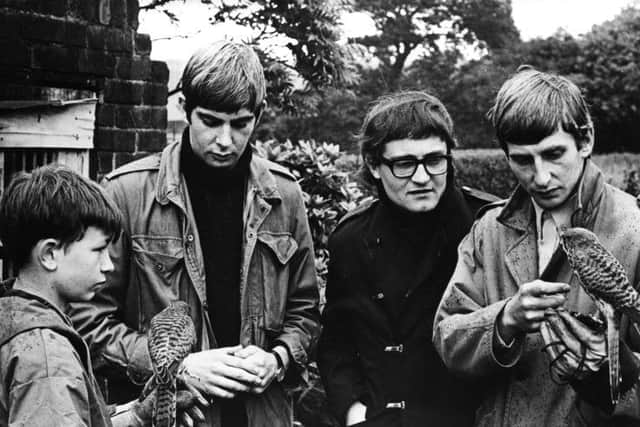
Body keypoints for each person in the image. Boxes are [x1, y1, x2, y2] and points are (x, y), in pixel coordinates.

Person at [69, 40, 321, 427]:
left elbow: (305, 311)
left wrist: (278, 358)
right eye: (210, 121)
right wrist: (176, 365)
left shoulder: (285, 195)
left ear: (259, 114)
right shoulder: (127, 192)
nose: (225, 140)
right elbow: (87, 319)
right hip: (169, 415)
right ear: (185, 107)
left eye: (240, 124)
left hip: (262, 414)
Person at [433, 66, 640, 426]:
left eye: (554, 154)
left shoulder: (633, 228)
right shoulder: (489, 230)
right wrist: (504, 320)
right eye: (523, 160)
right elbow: (447, 336)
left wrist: (610, 367)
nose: (540, 177)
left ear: (586, 139)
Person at [318, 91, 494, 426]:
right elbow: (337, 344)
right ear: (373, 164)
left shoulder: (489, 226)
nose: (422, 177)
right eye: (404, 164)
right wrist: (355, 414)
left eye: (434, 160)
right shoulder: (351, 239)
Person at [0, 165, 204, 426]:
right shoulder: (48, 356)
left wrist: (139, 415)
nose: (108, 265)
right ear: (50, 254)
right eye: (99, 250)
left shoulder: (17, 317)